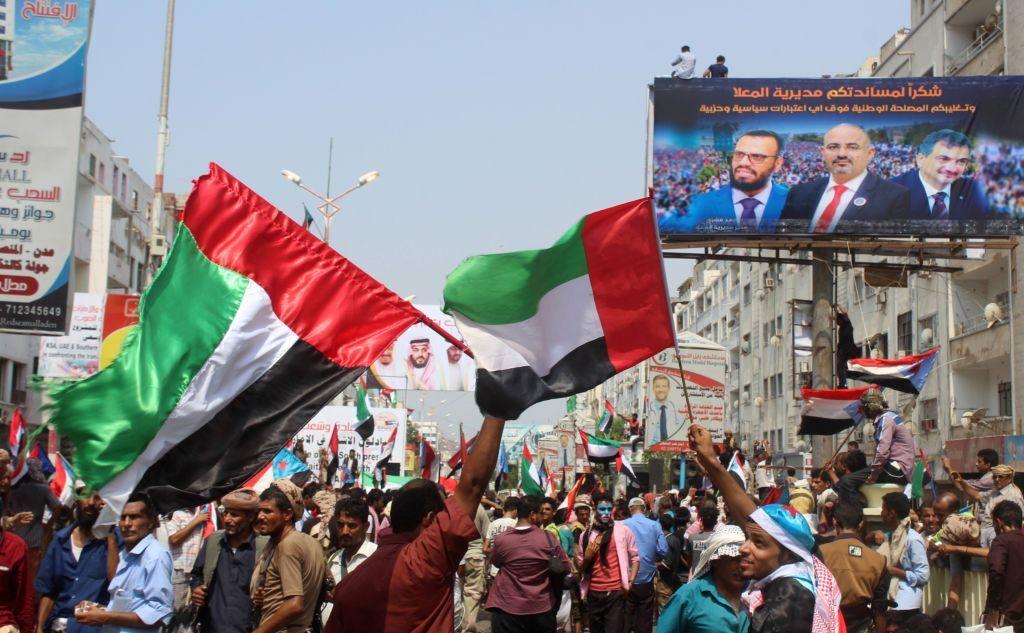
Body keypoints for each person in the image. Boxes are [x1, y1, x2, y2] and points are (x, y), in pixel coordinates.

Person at [328, 414, 507, 632]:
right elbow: (473, 485)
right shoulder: (424, 560)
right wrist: (498, 408)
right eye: (442, 514)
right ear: (430, 519)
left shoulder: (349, 585)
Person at [687, 424, 843, 632]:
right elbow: (749, 517)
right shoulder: (807, 563)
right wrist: (710, 460)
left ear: (788, 554)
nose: (743, 548)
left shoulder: (784, 608)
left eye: (758, 543)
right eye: (748, 538)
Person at [779, 124, 912, 233]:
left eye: (852, 147)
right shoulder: (799, 193)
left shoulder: (895, 196)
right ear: (823, 153)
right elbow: (782, 239)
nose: (841, 154)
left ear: (870, 154)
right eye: (833, 147)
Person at [75, 494, 173, 632]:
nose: (127, 524)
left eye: (134, 517)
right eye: (122, 517)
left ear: (151, 522)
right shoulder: (125, 554)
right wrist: (100, 611)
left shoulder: (155, 556)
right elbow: (128, 605)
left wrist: (105, 617)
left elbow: (158, 614)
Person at [665, 131, 790, 234]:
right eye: (739, 154)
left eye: (757, 156)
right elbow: (662, 227)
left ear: (777, 164)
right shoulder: (702, 203)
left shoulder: (795, 203)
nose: (743, 163)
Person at [36, 490, 119, 633]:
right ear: (76, 500)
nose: (91, 502)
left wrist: (109, 535)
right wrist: (39, 628)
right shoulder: (60, 540)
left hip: (94, 628)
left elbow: (117, 585)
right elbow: (48, 591)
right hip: (58, 626)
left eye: (98, 498)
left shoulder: (115, 541)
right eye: (85, 495)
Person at [485, 494, 569, 632]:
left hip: (506, 609)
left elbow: (496, 562)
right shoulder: (549, 538)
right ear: (533, 515)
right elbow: (566, 567)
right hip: (541, 609)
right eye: (541, 513)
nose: (543, 517)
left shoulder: (502, 539)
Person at [249, 484, 327, 633]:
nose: (260, 516)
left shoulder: (287, 546)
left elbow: (294, 604)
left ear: (287, 514)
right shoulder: (312, 543)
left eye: (267, 511)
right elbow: (329, 591)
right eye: (259, 511)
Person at [656, 525, 749, 633]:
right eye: (735, 559)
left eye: (745, 559)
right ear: (715, 561)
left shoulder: (754, 593)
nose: (741, 565)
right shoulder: (688, 597)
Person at [819, 499, 890, 633]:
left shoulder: (821, 553)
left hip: (827, 623)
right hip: (861, 625)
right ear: (861, 524)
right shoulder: (879, 560)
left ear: (835, 521)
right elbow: (879, 607)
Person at [889, 129, 989, 223]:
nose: (952, 168)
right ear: (921, 159)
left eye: (961, 161)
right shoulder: (890, 191)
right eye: (944, 159)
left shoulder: (977, 191)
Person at [575, 493, 639, 633]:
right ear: (594, 508)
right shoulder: (586, 535)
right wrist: (587, 558)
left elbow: (635, 558)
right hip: (594, 593)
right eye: (602, 509)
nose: (606, 513)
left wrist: (630, 583)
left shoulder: (623, 531)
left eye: (609, 509)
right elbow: (580, 569)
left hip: (615, 593)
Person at [321, 497, 376, 626]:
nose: (345, 531)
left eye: (352, 526)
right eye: (340, 525)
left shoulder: (376, 557)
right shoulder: (333, 559)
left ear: (366, 526)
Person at [7, 459, 62, 581]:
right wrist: (49, 524)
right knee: (31, 578)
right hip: (34, 541)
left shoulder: (10, 490)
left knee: (14, 577)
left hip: (14, 539)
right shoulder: (42, 489)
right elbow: (58, 507)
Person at [879, 492, 929, 627]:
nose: (881, 513)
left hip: (906, 604)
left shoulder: (913, 539)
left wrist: (895, 571)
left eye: (883, 509)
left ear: (892, 513)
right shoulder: (890, 537)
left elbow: (923, 576)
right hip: (891, 602)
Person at [622, 498, 666, 633]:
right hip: (647, 578)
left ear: (630, 509)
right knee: (645, 618)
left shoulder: (622, 525)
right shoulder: (654, 525)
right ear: (644, 509)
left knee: (625, 617)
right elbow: (663, 550)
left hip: (626, 578)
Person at [953, 463, 1023, 547]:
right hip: (986, 530)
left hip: (998, 533)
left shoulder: (1014, 495)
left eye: (1000, 477)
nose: (997, 479)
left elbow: (1017, 521)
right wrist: (961, 482)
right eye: (994, 477)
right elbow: (977, 495)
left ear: (1009, 478)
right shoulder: (995, 491)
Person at [983, 500, 1024, 630]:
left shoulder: (1002, 541)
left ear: (999, 522)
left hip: (1007, 616)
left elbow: (996, 571)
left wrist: (992, 608)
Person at [163, 505, 210, 611]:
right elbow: (174, 539)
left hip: (199, 572)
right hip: (181, 570)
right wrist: (196, 521)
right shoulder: (177, 514)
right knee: (177, 609)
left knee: (194, 611)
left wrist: (214, 509)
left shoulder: (205, 511)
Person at [462, 502, 491, 633]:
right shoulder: (479, 509)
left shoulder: (455, 507)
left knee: (457, 595)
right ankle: (467, 629)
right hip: (476, 557)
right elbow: (487, 535)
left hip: (458, 557)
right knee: (472, 597)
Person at [647, 375, 680, 446]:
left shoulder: (676, 410)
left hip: (672, 447)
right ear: (653, 389)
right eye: (657, 386)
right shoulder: (649, 409)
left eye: (664, 386)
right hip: (653, 448)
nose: (661, 390)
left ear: (668, 389)